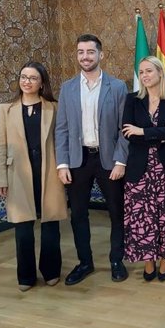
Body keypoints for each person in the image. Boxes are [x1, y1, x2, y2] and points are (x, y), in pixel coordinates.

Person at [55, 34, 129, 285]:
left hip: (108, 161)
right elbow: (62, 129)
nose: (85, 57)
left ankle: (117, 260)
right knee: (77, 215)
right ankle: (84, 262)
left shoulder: (117, 87)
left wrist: (121, 161)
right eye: (80, 52)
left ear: (101, 54)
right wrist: (62, 163)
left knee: (116, 212)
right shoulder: (67, 88)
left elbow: (124, 129)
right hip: (78, 161)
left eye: (90, 52)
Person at [0, 62, 67, 291]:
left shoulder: (53, 108)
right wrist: (1, 179)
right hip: (18, 175)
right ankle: (25, 276)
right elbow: (0, 146)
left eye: (33, 78)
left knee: (50, 226)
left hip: (49, 172)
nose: (27, 81)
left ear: (41, 82)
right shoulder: (6, 109)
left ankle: (51, 271)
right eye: (23, 77)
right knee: (23, 229)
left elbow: (62, 140)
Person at [121, 56, 165, 281]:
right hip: (139, 170)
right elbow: (127, 132)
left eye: (149, 71)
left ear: (161, 73)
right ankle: (148, 260)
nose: (144, 76)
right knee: (143, 217)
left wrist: (143, 132)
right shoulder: (132, 100)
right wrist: (161, 133)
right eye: (141, 72)